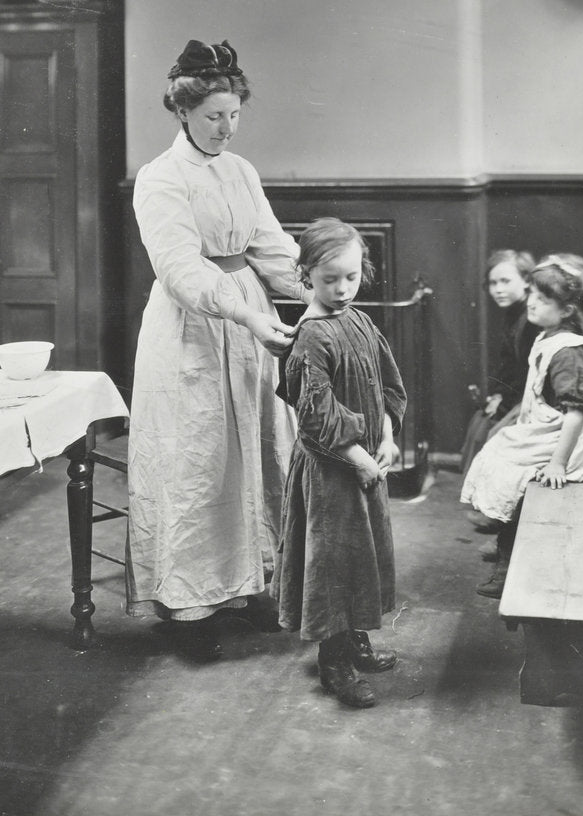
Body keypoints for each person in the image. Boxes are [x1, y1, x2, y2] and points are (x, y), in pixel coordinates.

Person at [126, 39, 310, 661]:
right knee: (198, 459)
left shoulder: (240, 170)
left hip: (246, 318)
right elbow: (180, 269)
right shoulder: (160, 177)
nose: (226, 128)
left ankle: (246, 586)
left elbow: (269, 245)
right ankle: (188, 609)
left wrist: (313, 291)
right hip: (191, 329)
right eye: (213, 117)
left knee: (255, 450)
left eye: (234, 115)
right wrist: (246, 313)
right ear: (183, 112)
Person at [272, 218, 407, 708]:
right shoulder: (311, 338)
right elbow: (315, 416)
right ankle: (335, 662)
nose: (343, 288)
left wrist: (387, 438)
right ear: (306, 275)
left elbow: (387, 383)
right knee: (332, 564)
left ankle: (357, 640)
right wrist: (357, 457)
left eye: (351, 277)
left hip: (367, 466)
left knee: (363, 556)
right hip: (332, 474)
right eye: (330, 280)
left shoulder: (359, 321)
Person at [460, 253, 583, 598]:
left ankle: (510, 561)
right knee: (499, 448)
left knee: (514, 469)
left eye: (543, 300)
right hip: (553, 425)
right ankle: (506, 541)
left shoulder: (568, 350)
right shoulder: (549, 335)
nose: (532, 303)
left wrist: (557, 461)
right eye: (532, 294)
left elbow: (577, 411)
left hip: (574, 440)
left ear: (567, 310)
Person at [461, 249, 539, 473]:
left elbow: (527, 374)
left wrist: (502, 404)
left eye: (505, 281)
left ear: (526, 280)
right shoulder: (513, 313)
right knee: (478, 424)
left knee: (486, 431)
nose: (498, 289)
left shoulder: (531, 318)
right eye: (493, 283)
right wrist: (497, 394)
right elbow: (508, 366)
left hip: (526, 402)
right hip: (512, 396)